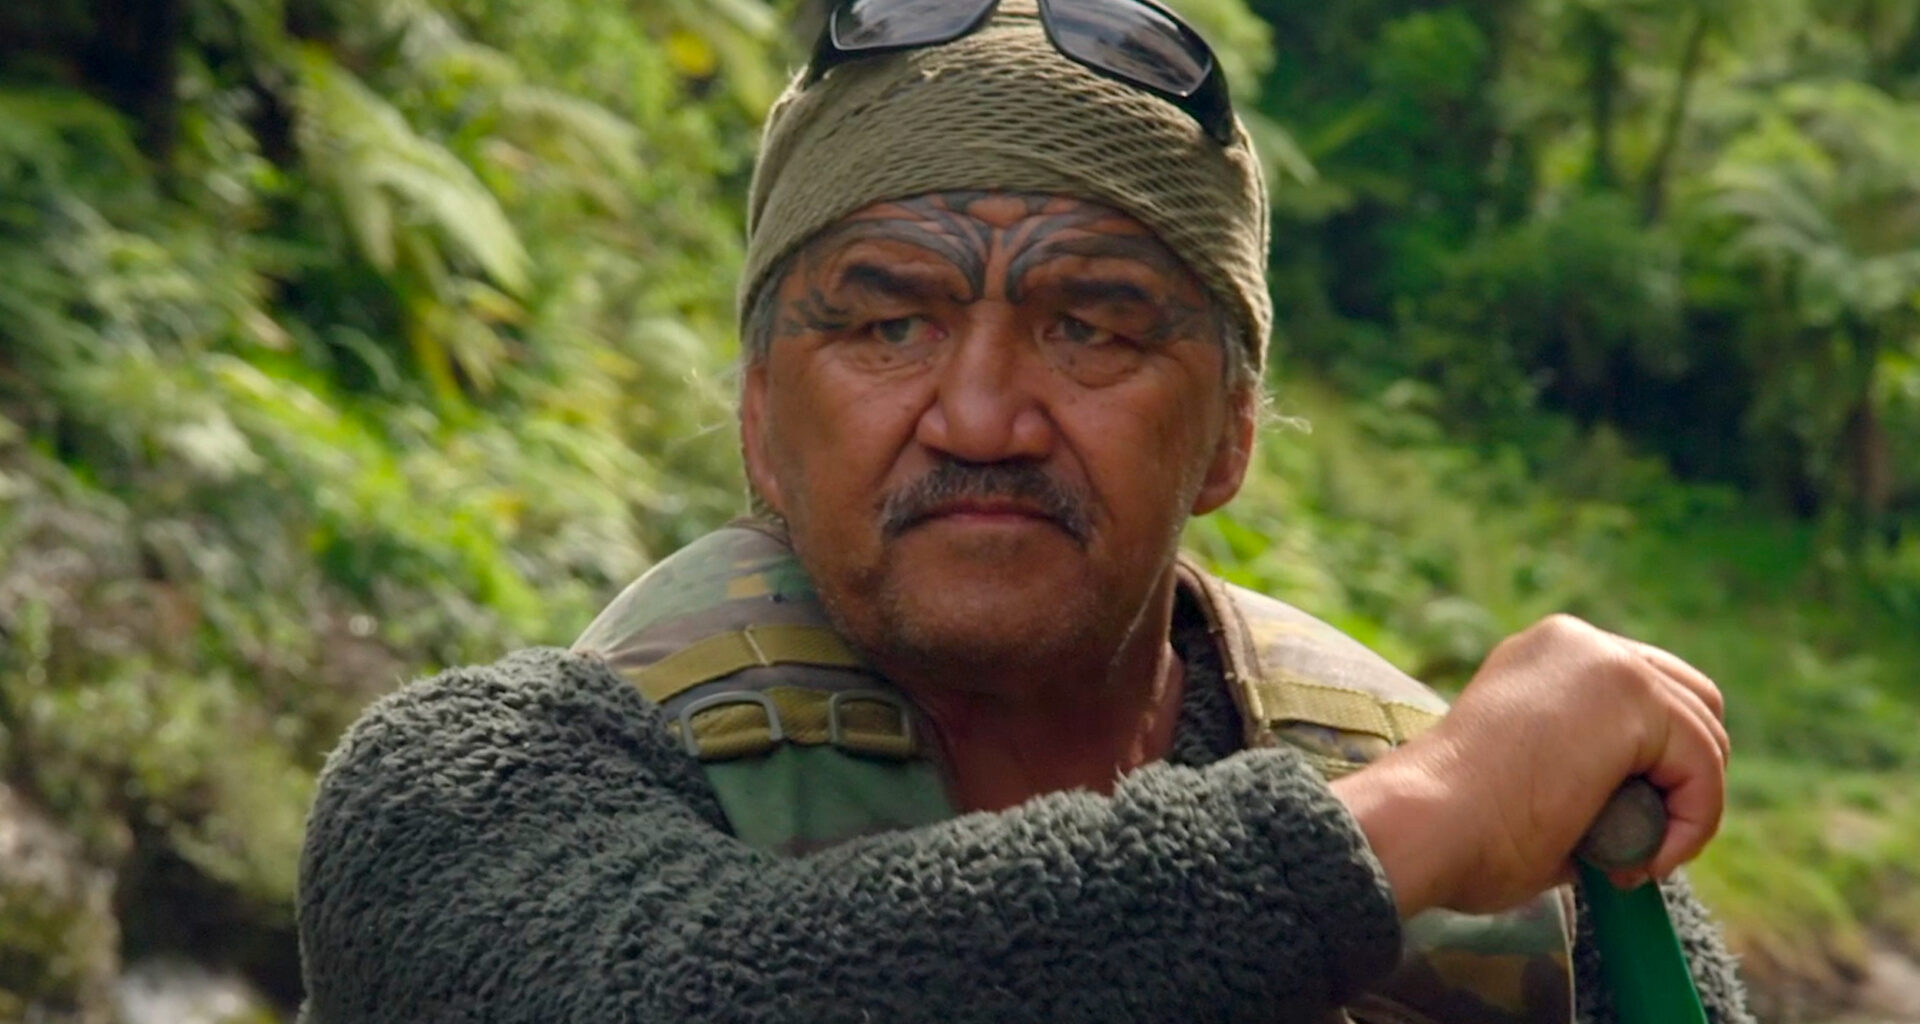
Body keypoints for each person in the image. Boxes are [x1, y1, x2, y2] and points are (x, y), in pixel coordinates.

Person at [295, 1, 1753, 1021]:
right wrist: (1420, 820)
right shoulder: (471, 797)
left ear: (1231, 432)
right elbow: (688, 991)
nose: (983, 416)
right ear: (757, 422)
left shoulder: (1556, 910)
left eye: (1094, 329)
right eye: (886, 327)